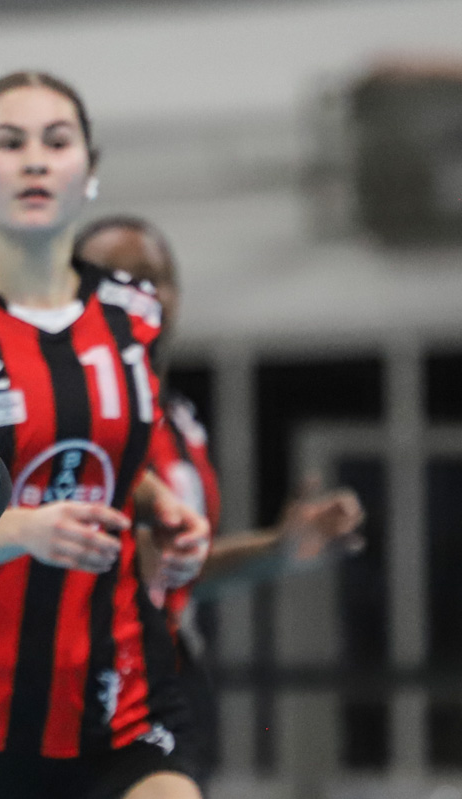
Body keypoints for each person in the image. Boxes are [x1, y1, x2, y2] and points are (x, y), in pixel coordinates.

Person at [0, 71, 211, 799]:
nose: (35, 161)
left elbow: (112, 453)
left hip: (123, 703)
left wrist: (160, 508)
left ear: (90, 170)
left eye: (57, 142)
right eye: (9, 142)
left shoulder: (134, 315)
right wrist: (26, 530)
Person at [73, 214, 367, 788]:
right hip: (67, 686)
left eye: (154, 278)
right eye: (114, 278)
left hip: (165, 679)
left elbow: (179, 571)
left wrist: (278, 550)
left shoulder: (180, 423)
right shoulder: (58, 418)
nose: (139, 294)